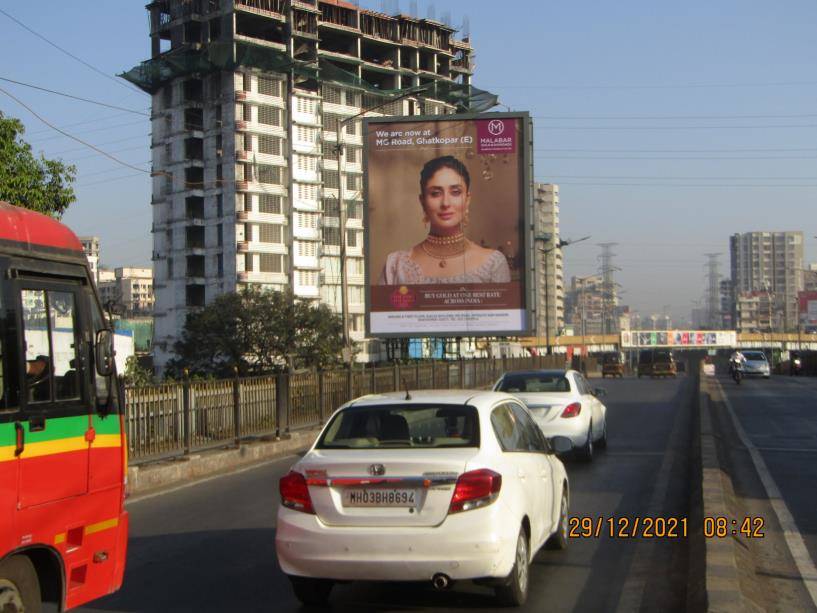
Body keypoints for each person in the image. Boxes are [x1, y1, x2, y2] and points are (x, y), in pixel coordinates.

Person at [377, 155, 511, 285]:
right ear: (423, 201)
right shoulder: (395, 265)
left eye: (456, 192)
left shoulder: (493, 263)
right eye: (435, 193)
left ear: (467, 200)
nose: (446, 203)